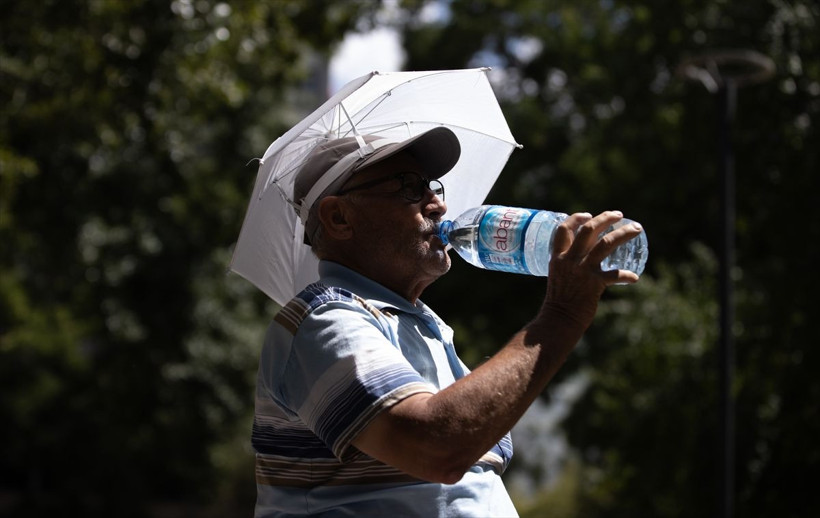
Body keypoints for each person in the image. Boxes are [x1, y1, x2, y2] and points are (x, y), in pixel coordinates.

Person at [251, 126, 642, 517]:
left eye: (432, 187)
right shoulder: (323, 318)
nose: (437, 204)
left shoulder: (423, 324)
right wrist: (562, 315)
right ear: (338, 217)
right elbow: (436, 447)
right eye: (408, 187)